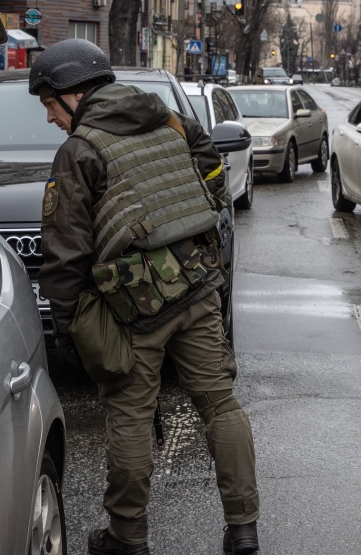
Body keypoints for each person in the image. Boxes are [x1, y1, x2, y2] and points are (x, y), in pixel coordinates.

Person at [30, 38, 261, 555]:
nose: (49, 117)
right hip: (199, 286)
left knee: (130, 416)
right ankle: (243, 528)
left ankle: (127, 540)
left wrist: (69, 329)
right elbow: (214, 180)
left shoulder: (79, 151)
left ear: (74, 92)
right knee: (220, 403)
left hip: (133, 309)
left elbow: (65, 256)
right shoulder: (171, 120)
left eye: (48, 103)